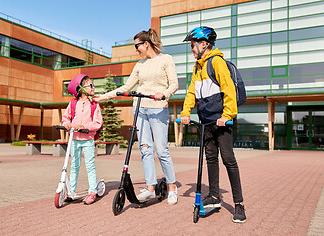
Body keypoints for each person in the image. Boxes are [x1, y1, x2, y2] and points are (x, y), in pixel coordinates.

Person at [93, 28, 179, 205]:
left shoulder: (166, 59)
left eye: (137, 46)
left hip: (158, 108)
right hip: (140, 109)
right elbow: (125, 87)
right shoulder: (140, 64)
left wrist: (164, 94)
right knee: (145, 149)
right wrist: (102, 97)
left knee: (161, 150)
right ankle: (150, 187)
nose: (136, 49)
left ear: (146, 44)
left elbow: (174, 84)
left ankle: (172, 187)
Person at [180, 26, 246, 223]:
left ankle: (239, 204)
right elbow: (191, 92)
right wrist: (185, 112)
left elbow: (228, 91)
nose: (191, 49)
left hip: (222, 121)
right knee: (211, 158)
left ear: (203, 44)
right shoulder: (197, 67)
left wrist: (227, 115)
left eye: (192, 45)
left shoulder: (216, 62)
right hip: (206, 120)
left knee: (228, 159)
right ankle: (215, 196)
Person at [62, 74, 103, 205]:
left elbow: (97, 123)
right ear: (81, 88)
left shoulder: (94, 105)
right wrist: (66, 124)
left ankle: (92, 191)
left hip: (88, 139)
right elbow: (66, 117)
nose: (93, 87)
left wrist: (84, 127)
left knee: (90, 166)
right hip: (74, 139)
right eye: (90, 85)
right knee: (74, 165)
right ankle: (71, 191)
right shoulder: (73, 104)